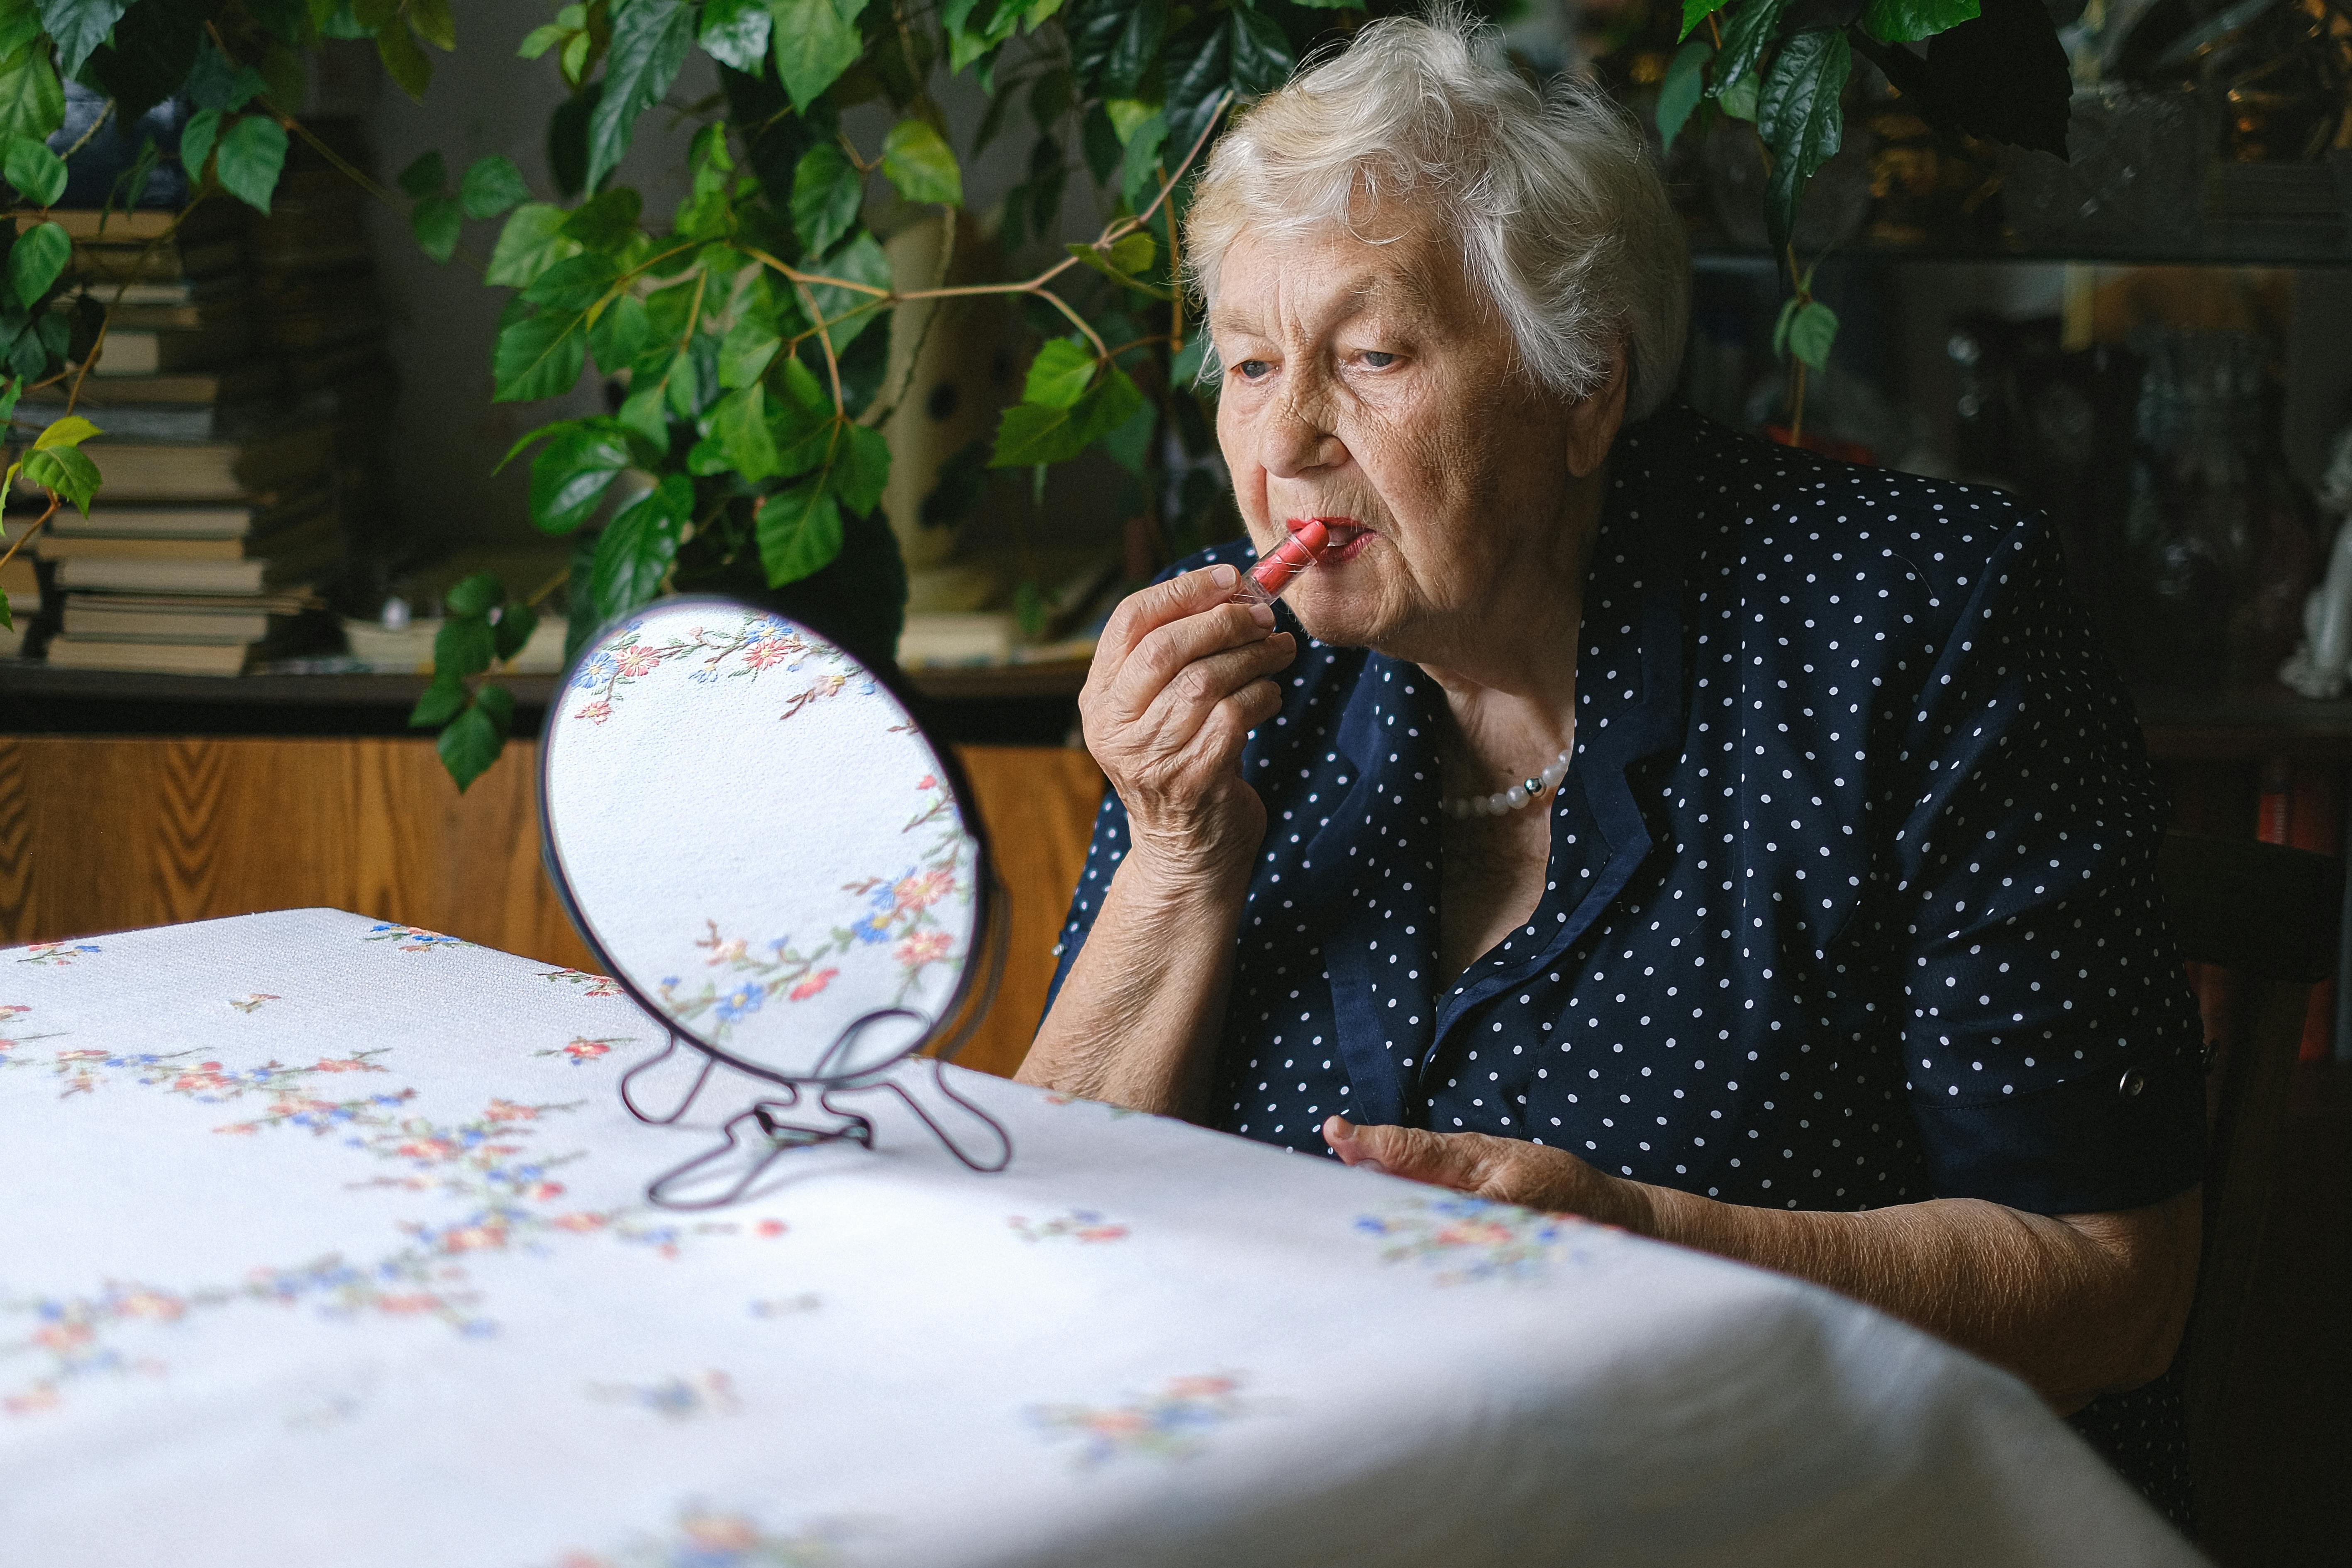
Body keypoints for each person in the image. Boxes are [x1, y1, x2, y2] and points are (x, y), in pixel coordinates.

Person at [1017, 11, 2207, 1523]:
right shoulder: (1253, 676)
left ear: (1582, 385)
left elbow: (2112, 1289)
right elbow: (1042, 1231)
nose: (1287, 442)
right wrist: (1177, 854)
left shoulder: (1912, 624)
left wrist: (1641, 1242)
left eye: (1370, 354)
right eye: (1249, 366)